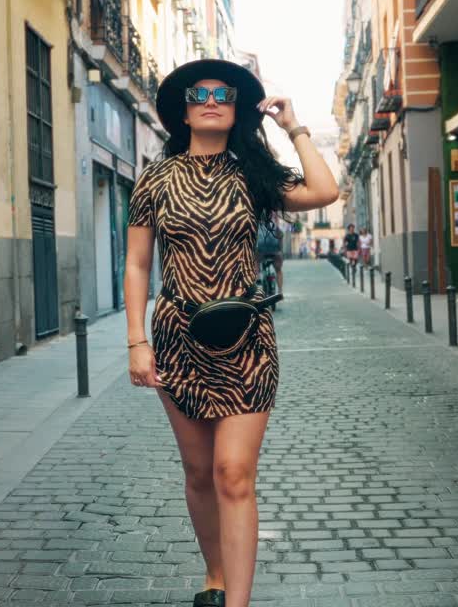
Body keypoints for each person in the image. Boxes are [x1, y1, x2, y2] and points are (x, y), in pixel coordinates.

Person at [124, 58, 338, 607]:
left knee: (233, 473)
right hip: (178, 339)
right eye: (200, 94)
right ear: (184, 111)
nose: (212, 101)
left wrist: (294, 127)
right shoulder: (154, 180)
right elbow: (138, 265)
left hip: (247, 341)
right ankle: (215, 576)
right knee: (199, 473)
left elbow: (324, 191)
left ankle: (236, 602)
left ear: (237, 108)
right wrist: (136, 340)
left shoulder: (254, 176)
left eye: (223, 94)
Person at [256, 216, 284, 297]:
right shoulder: (275, 225)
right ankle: (280, 291)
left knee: (255, 261)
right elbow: (281, 236)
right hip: (275, 252)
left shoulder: (257, 225)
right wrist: (280, 251)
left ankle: (258, 277)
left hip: (261, 252)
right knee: (278, 270)